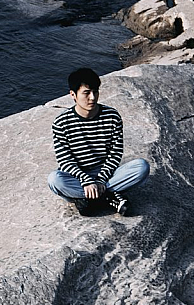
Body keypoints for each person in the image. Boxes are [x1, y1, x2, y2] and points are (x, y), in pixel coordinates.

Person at [47, 68, 150, 217]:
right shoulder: (61, 123)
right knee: (54, 180)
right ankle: (109, 197)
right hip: (77, 176)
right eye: (86, 93)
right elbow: (65, 161)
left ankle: (88, 199)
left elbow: (115, 153)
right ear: (73, 95)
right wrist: (86, 181)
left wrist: (101, 180)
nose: (92, 98)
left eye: (95, 92)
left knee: (142, 167)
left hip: (107, 174)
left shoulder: (112, 116)